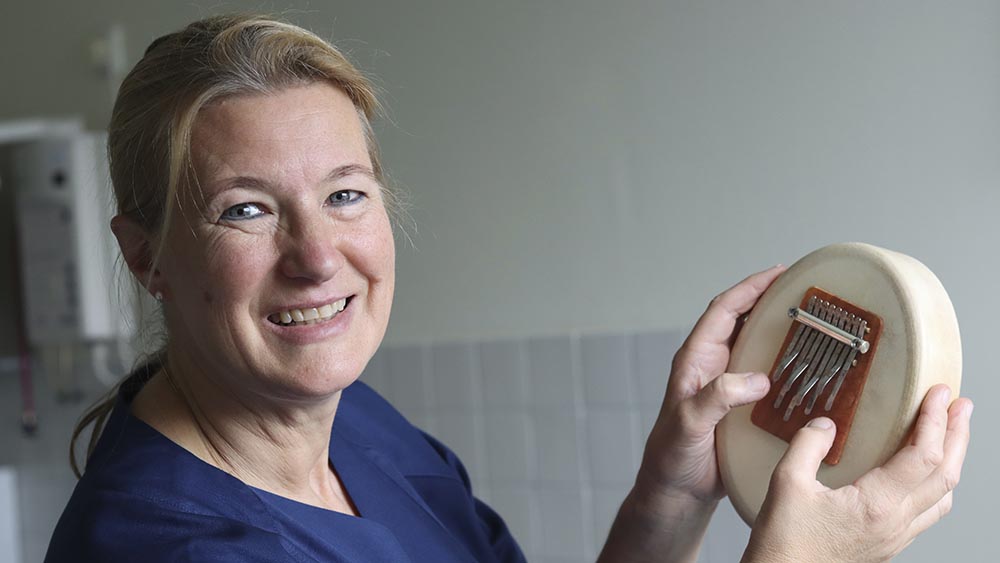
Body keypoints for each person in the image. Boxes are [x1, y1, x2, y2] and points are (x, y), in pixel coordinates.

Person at [45, 14, 972, 563]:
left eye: (344, 194)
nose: (318, 255)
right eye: (246, 211)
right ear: (146, 255)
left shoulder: (363, 429)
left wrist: (671, 491)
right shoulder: (173, 548)